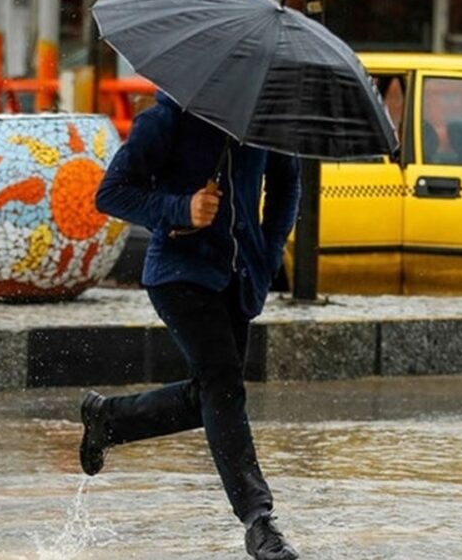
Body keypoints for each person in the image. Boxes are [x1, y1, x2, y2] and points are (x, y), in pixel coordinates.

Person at [83, 91, 301, 560]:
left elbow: (287, 184)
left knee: (213, 393)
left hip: (238, 279)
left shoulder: (263, 120)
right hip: (179, 274)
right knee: (224, 386)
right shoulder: (167, 118)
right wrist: (182, 209)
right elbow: (112, 192)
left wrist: (267, 256)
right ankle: (258, 520)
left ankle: (110, 420)